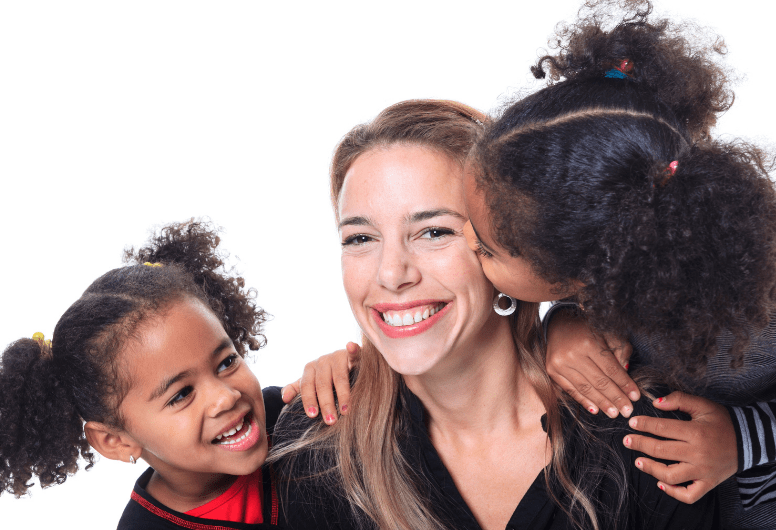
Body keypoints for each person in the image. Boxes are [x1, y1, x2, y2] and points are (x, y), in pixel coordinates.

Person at [270, 99, 719, 530]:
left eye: (433, 231)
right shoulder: (312, 448)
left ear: (508, 245)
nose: (391, 274)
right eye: (360, 238)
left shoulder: (645, 437)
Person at [457, 1, 776, 528]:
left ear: (572, 266)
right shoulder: (624, 259)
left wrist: (740, 438)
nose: (467, 246)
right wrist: (566, 321)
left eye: (487, 250)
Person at [0, 220, 285, 529]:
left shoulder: (290, 415)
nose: (226, 396)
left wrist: (341, 376)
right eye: (181, 394)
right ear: (115, 440)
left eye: (226, 362)